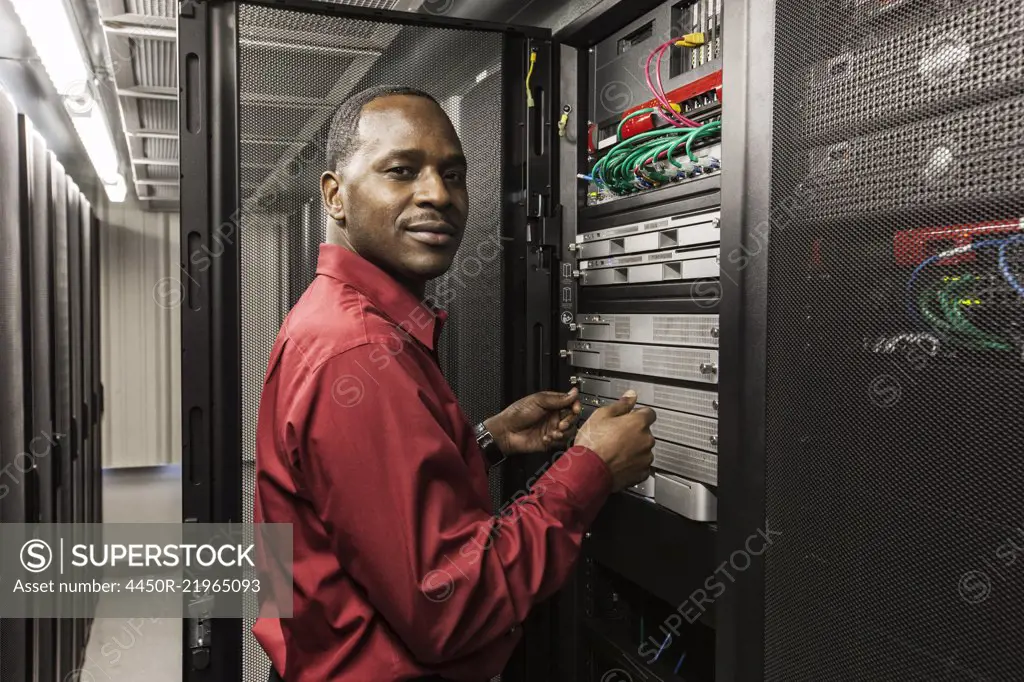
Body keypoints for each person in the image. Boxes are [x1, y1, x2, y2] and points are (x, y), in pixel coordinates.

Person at [252, 84, 656, 682]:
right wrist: (590, 470)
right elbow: (446, 608)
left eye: (453, 174)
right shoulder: (358, 351)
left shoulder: (339, 318)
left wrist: (484, 441)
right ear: (335, 196)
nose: (437, 194)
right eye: (401, 171)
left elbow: (367, 513)